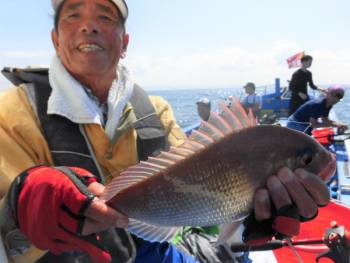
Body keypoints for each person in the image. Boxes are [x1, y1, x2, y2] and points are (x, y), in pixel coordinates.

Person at [0, 1, 331, 263]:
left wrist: (249, 223)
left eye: (105, 16)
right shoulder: (8, 115)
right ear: (55, 39)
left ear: (125, 42)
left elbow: (195, 198)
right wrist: (15, 211)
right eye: (72, 15)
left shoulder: (155, 110)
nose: (89, 26)